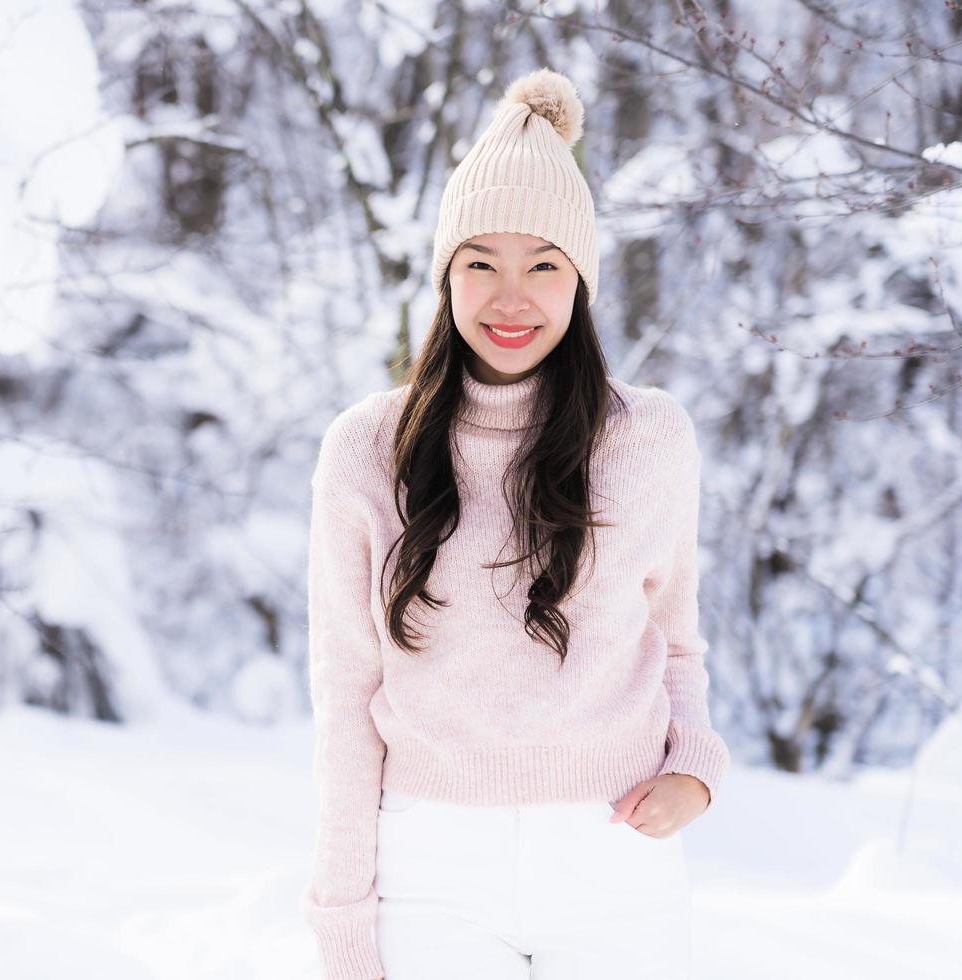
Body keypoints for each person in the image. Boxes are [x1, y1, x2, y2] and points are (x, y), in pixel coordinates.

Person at [298, 67, 731, 980]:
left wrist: (694, 763)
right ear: (445, 276)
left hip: (617, 857)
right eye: (480, 263)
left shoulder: (648, 439)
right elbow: (344, 699)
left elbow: (676, 643)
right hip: (430, 871)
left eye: (543, 265)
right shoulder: (367, 450)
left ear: (579, 281)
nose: (510, 297)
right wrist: (341, 921)